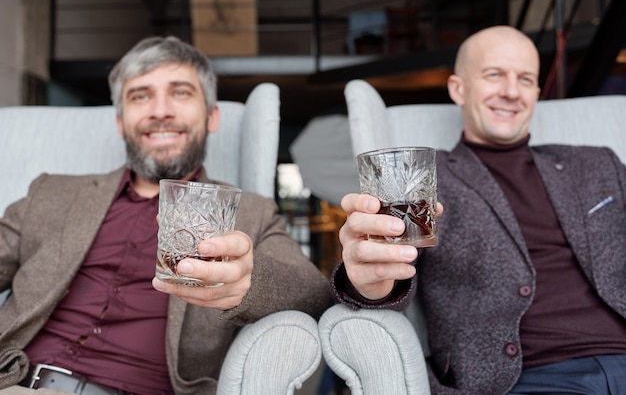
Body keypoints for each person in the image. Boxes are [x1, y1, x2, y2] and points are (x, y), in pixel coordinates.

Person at [0, 36, 331, 394]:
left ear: (211, 116)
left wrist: (246, 280)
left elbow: (314, 293)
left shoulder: (251, 213)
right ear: (120, 122)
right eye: (140, 96)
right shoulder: (52, 193)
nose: (160, 111)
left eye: (180, 92)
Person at [332, 25, 626, 394]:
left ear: (536, 93)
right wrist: (369, 281)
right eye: (494, 75)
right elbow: (389, 276)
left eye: (525, 79)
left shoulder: (598, 164)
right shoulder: (422, 176)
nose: (510, 91)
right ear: (458, 88)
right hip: (528, 378)